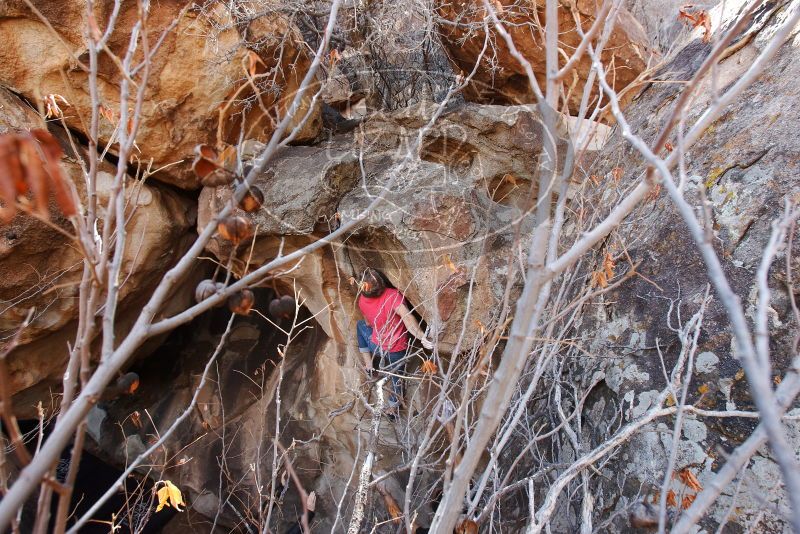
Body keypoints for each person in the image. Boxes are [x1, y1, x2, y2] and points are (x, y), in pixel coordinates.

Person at [356, 268, 433, 411]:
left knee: (359, 325)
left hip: (376, 346)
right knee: (397, 377)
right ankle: (393, 409)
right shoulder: (393, 296)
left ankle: (369, 365)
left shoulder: (362, 300)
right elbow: (408, 319)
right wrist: (422, 337)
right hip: (396, 351)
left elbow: (367, 323)